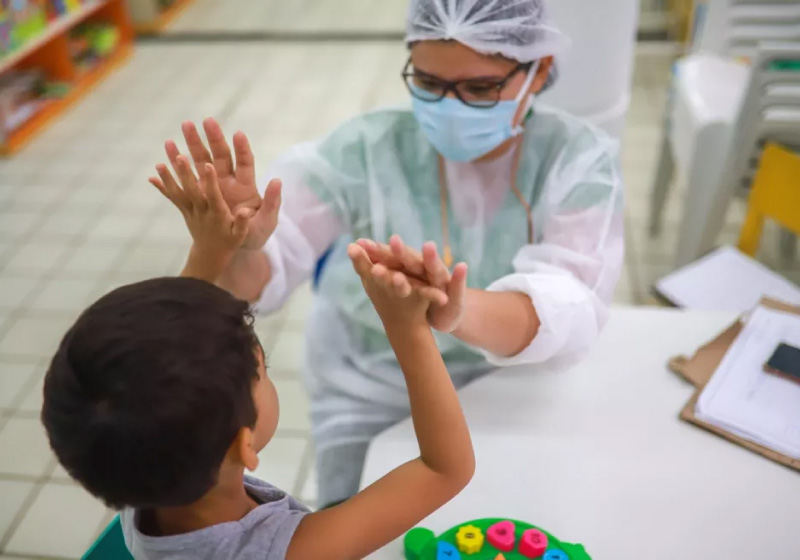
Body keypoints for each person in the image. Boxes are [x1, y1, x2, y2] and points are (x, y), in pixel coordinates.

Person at [150, 0, 624, 508]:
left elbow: (569, 306)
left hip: (511, 391)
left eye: (480, 89)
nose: (450, 106)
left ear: (539, 69)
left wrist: (458, 312)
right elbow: (265, 273)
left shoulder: (576, 162)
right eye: (428, 82)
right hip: (369, 388)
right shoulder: (365, 147)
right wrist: (239, 246)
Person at [41, 161, 474, 559]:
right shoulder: (285, 551)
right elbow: (444, 468)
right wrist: (408, 327)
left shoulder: (137, 470)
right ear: (244, 444)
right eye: (261, 366)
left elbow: (159, 366)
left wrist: (211, 250)